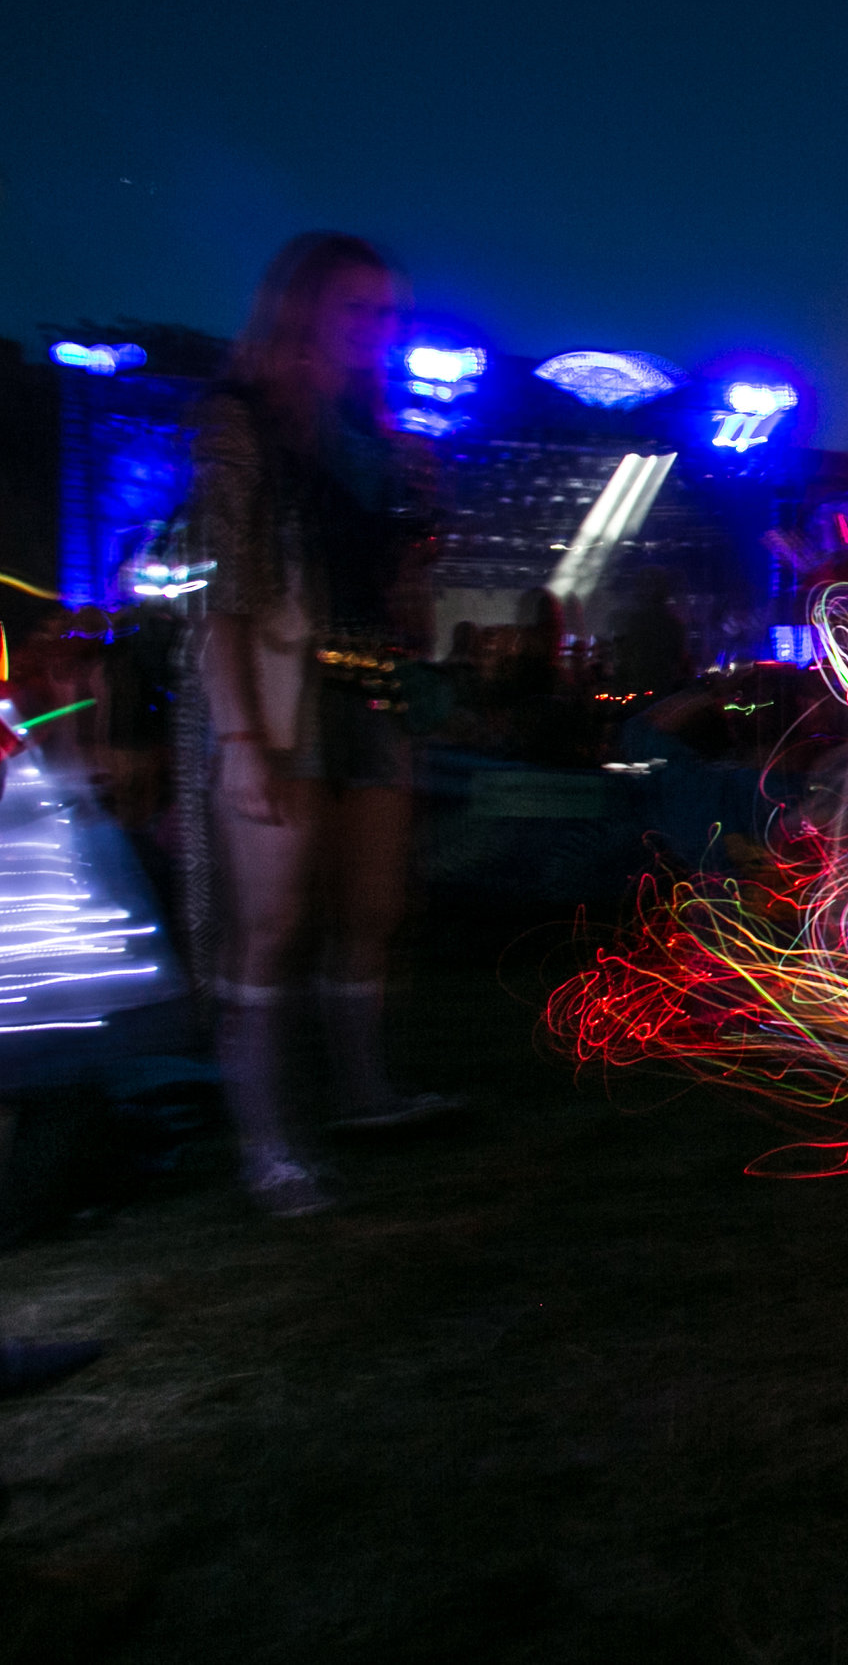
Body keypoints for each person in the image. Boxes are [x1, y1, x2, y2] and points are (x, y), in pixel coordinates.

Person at [190, 233, 455, 1217]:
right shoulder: (242, 420)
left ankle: (364, 1093)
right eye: (358, 313)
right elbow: (222, 595)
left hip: (367, 692)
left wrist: (421, 543)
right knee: (273, 919)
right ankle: (268, 1145)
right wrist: (240, 740)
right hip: (277, 691)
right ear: (302, 312)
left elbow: (408, 605)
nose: (378, 333)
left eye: (389, 315)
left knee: (372, 907)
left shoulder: (380, 438)